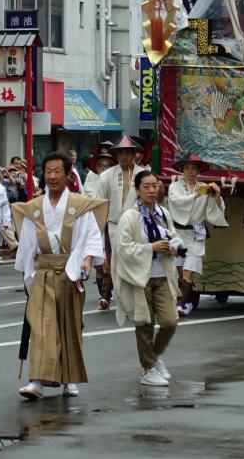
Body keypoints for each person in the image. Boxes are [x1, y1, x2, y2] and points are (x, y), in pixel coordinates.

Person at [13, 152, 107, 400]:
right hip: (43, 272)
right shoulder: (34, 208)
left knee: (69, 326)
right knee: (42, 328)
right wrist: (27, 275)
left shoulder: (80, 206)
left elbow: (90, 237)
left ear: (68, 175)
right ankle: (37, 381)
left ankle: (69, 378)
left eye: (57, 171)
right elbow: (27, 244)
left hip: (70, 271)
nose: (52, 176)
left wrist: (87, 259)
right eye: (48, 171)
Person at [112, 170, 184, 387]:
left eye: (155, 186)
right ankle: (148, 369)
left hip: (162, 275)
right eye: (147, 187)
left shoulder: (163, 213)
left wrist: (174, 246)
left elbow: (174, 235)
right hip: (140, 278)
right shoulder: (130, 216)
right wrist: (149, 248)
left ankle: (153, 357)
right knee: (144, 324)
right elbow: (122, 247)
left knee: (170, 322)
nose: (152, 190)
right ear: (137, 190)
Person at [165, 154, 226, 316]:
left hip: (195, 234)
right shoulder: (174, 187)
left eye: (193, 168)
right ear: (182, 170)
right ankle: (189, 301)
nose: (190, 171)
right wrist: (197, 194)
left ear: (198, 170)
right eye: (187, 168)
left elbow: (217, 209)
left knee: (188, 272)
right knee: (180, 272)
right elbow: (177, 201)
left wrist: (217, 194)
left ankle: (181, 305)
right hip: (178, 233)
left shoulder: (205, 187)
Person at [94, 136, 149, 310]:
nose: (124, 156)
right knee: (111, 261)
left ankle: (135, 295)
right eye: (121, 153)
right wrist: (99, 229)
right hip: (113, 223)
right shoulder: (106, 176)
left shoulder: (144, 175)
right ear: (116, 155)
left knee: (134, 260)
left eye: (128, 152)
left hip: (135, 224)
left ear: (135, 154)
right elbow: (99, 203)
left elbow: (150, 199)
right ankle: (106, 295)